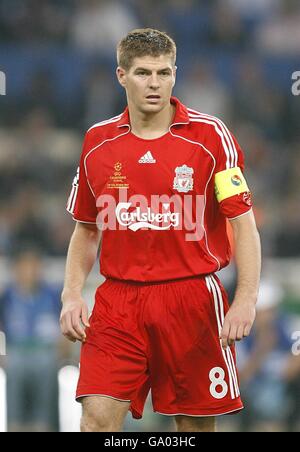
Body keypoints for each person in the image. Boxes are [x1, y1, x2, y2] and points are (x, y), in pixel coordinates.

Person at [60, 28, 261, 433]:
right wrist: (71, 295)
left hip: (192, 299)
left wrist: (245, 300)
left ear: (175, 74)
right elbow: (85, 229)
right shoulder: (97, 142)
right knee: (95, 419)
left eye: (164, 73)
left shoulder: (210, 137)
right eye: (143, 73)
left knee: (192, 426)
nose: (155, 84)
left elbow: (244, 225)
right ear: (121, 75)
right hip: (118, 300)